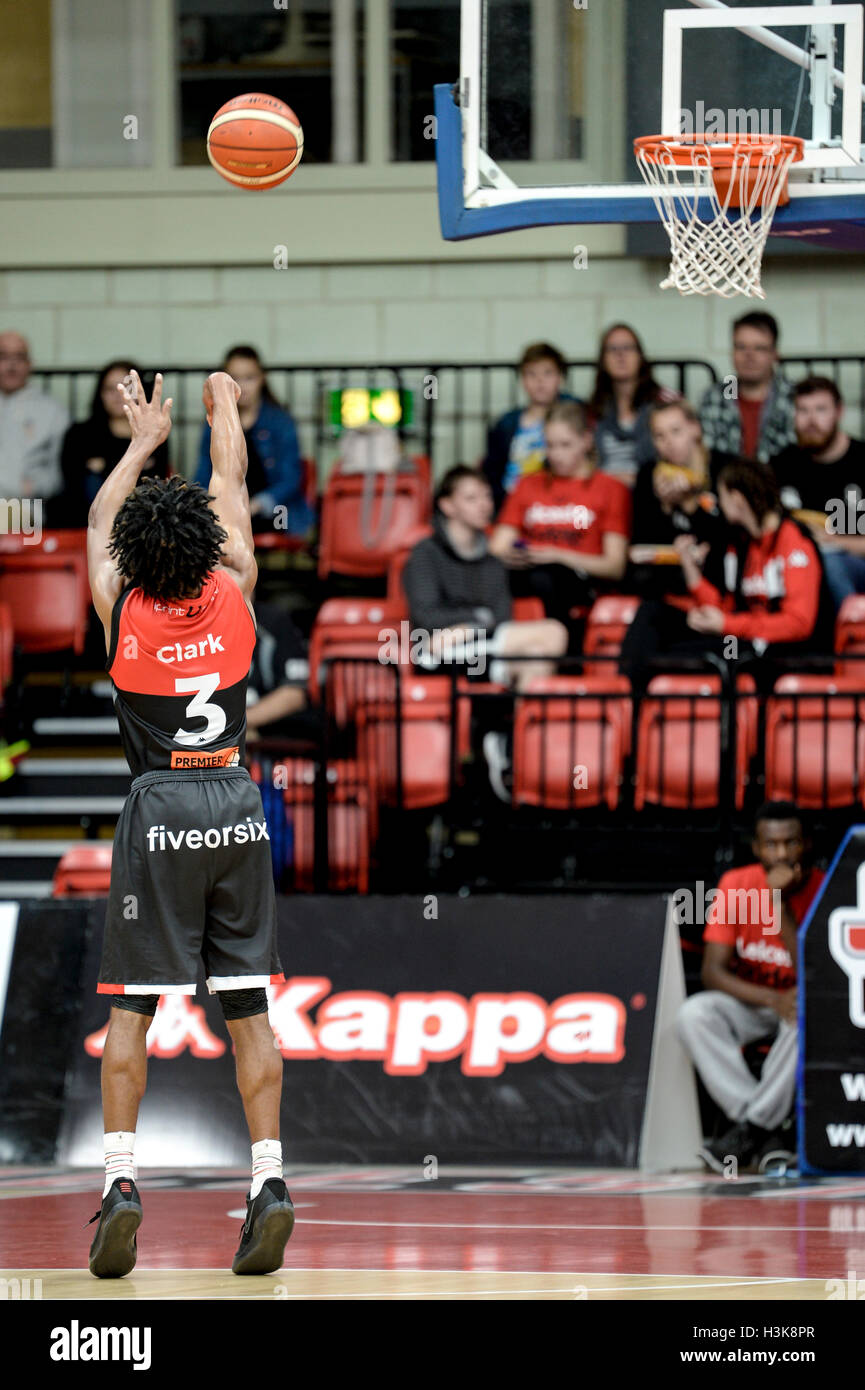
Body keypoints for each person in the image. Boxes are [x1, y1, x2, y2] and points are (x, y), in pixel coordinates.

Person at [85, 369, 294, 1279]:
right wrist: (221, 414)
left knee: (133, 1006)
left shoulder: (121, 604)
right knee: (247, 1007)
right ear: (210, 546)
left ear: (137, 557)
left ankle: (122, 1184)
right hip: (237, 807)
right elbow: (233, 485)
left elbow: (97, 524)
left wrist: (139, 442)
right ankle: (268, 1182)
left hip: (161, 805)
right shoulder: (237, 588)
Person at [677, 801, 824, 1173]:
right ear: (756, 848)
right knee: (694, 1014)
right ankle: (766, 1128)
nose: (780, 854)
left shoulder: (825, 888)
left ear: (805, 844)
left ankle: (750, 1130)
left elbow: (815, 974)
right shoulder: (737, 884)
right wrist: (771, 998)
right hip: (757, 1002)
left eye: (790, 843)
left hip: (799, 1009)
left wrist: (779, 904)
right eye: (770, 845)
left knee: (808, 1010)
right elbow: (713, 972)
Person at [620, 458, 832, 689]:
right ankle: (627, 698)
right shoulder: (741, 544)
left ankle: (634, 702)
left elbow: (798, 624)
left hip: (778, 649)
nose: (719, 505)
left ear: (737, 499)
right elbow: (729, 607)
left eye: (721, 496)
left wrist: (726, 624)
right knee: (653, 615)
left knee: (675, 656)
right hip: (739, 639)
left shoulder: (794, 541)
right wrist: (693, 574)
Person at [402, 465, 568, 691]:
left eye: (487, 496)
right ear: (447, 505)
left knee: (537, 659)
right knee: (553, 633)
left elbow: (501, 616)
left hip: (479, 647)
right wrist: (478, 619)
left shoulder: (493, 558)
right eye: (471, 498)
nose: (484, 505)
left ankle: (506, 727)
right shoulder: (425, 553)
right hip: (437, 654)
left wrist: (467, 627)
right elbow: (426, 617)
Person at [490, 400, 631, 644]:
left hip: (580, 579)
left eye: (566, 445)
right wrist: (514, 555)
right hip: (529, 572)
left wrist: (557, 555)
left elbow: (614, 565)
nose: (556, 455)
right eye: (550, 445)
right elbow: (497, 547)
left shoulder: (610, 489)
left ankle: (564, 654)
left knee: (548, 577)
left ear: (586, 440)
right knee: (494, 574)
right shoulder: (527, 484)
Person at [194, 345, 313, 536]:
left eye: (250, 377)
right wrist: (207, 505)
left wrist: (256, 505)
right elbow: (202, 473)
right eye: (234, 378)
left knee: (270, 521)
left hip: (274, 510)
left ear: (262, 378)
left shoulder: (280, 421)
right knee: (209, 528)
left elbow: (291, 479)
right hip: (227, 509)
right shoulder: (214, 422)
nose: (242, 386)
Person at [770, 375, 865, 608]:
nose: (811, 420)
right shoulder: (782, 464)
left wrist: (834, 542)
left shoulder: (862, 460)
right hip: (797, 564)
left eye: (821, 410)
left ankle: (853, 635)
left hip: (853, 563)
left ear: (838, 412)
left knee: (830, 560)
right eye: (802, 410)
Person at [630, 398, 731, 599]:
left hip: (715, 572)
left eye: (676, 431)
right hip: (665, 577)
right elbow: (642, 541)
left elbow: (729, 535)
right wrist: (665, 506)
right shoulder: (648, 474)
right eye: (660, 436)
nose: (669, 443)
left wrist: (689, 504)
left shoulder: (724, 469)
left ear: (695, 429)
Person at [59, 361, 171, 527]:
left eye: (127, 387)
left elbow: (157, 479)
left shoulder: (154, 432)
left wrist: (103, 465)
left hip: (142, 523)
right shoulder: (80, 433)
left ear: (140, 391)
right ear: (100, 394)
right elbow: (73, 480)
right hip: (89, 521)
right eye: (110, 389)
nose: (119, 394)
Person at [482, 342, 578, 509]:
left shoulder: (576, 413)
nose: (540, 381)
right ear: (522, 379)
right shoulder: (506, 423)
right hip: (511, 503)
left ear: (561, 377)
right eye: (531, 374)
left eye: (548, 373)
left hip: (560, 503)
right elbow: (493, 471)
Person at [699, 311, 795, 464]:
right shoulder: (714, 396)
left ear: (775, 354)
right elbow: (707, 455)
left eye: (759, 348)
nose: (749, 355)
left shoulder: (794, 397)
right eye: (741, 347)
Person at [588, 323, 677, 487]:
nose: (620, 355)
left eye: (628, 348)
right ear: (603, 359)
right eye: (612, 349)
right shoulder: (593, 410)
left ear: (640, 356)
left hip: (653, 492)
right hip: (604, 494)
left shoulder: (666, 402)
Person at [0, 330, 68, 503]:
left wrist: (33, 487)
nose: (12, 365)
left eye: (19, 357)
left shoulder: (53, 412)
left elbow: (61, 474)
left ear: (29, 363)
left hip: (25, 507)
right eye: (3, 356)